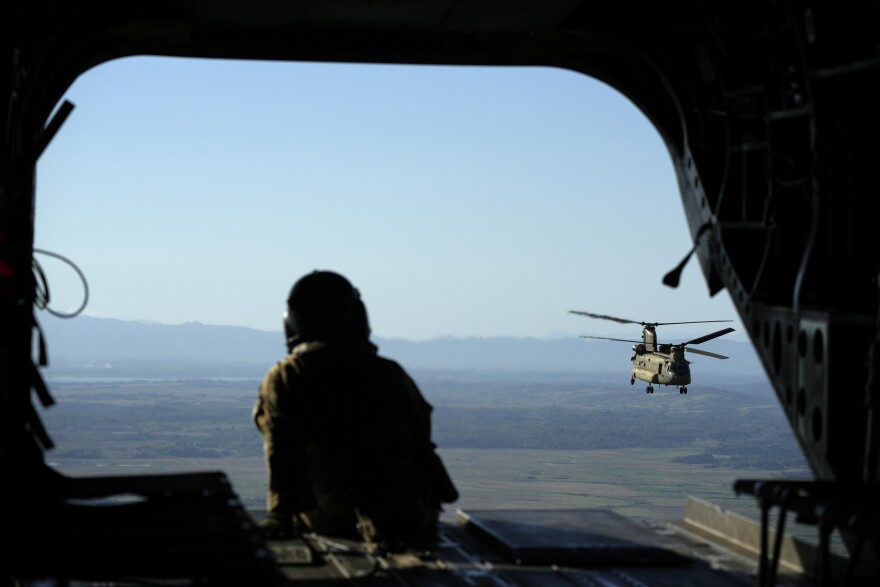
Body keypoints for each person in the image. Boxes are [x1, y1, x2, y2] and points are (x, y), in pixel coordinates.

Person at [253, 270, 458, 546]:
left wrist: (279, 515)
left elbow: (279, 448)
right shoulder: (390, 373)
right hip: (411, 517)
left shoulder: (286, 377)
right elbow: (421, 434)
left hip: (334, 521)